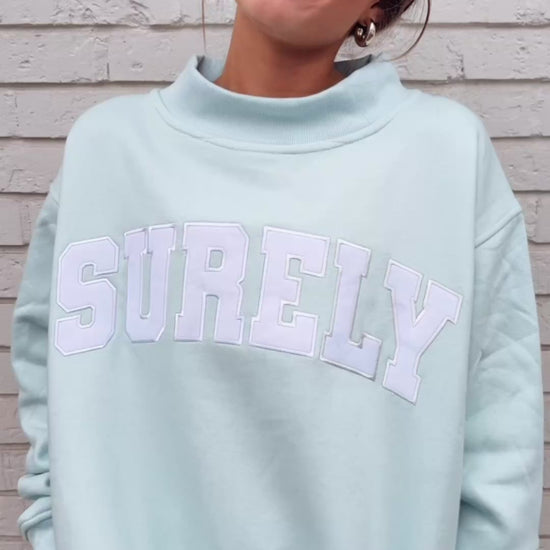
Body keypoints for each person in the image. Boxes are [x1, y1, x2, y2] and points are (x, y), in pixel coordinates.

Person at [10, 1, 544, 549]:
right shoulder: (106, 153)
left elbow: (502, 459)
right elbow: (45, 388)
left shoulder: (446, 158)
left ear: (378, 7)